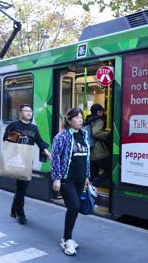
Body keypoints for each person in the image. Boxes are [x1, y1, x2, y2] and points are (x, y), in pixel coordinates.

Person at [51, 107, 90, 256]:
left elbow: (86, 156)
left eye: (81, 118)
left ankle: (68, 237)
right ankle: (66, 239)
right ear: (69, 120)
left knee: (75, 207)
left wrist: (87, 176)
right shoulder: (61, 136)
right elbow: (55, 158)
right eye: (77, 118)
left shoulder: (84, 134)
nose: (80, 120)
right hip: (67, 179)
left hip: (80, 178)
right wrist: (56, 178)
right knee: (73, 207)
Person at [2, 104, 51, 224]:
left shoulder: (33, 128)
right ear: (20, 113)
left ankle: (14, 209)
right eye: (26, 111)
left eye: (30, 111)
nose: (29, 113)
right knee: (21, 187)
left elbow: (39, 141)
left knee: (22, 187)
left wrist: (46, 151)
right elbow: (5, 139)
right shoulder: (13, 125)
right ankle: (20, 213)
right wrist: (17, 136)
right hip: (16, 158)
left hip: (28, 159)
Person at [84, 104, 110, 187]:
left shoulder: (88, 119)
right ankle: (94, 184)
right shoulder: (99, 120)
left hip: (90, 151)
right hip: (98, 152)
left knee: (94, 173)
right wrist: (108, 134)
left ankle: (91, 190)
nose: (103, 113)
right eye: (102, 111)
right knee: (110, 170)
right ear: (99, 111)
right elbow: (96, 132)